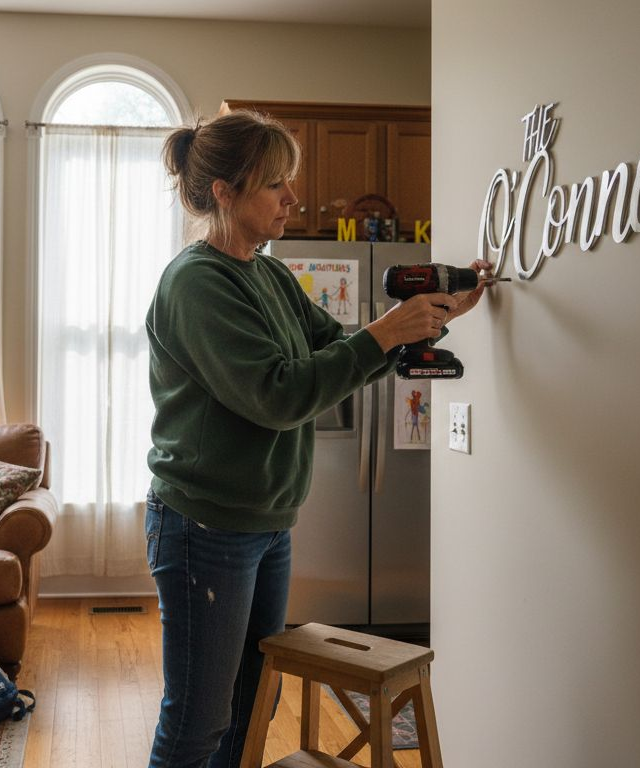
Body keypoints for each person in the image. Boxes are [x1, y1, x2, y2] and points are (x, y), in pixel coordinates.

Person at [143, 109, 492, 768]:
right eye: (277, 186)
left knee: (252, 706)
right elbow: (279, 395)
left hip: (266, 523)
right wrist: (385, 333)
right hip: (204, 529)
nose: (294, 200)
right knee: (198, 719)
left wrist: (439, 312)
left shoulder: (268, 275)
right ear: (225, 192)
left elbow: (340, 349)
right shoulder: (196, 282)